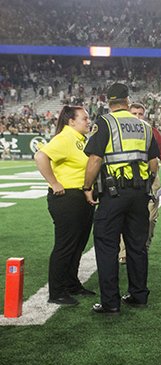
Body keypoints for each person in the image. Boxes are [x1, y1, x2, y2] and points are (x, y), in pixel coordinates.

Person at [82, 83, 159, 314]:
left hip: (114, 193)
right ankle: (138, 295)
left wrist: (87, 187)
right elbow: (153, 162)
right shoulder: (144, 126)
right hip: (139, 194)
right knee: (137, 246)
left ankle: (110, 303)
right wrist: (145, 181)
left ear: (108, 101)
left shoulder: (105, 122)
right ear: (127, 100)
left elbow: (95, 159)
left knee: (107, 245)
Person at [34, 105, 95, 306]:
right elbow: (40, 156)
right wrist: (54, 182)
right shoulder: (65, 138)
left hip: (80, 197)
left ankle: (71, 284)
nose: (88, 121)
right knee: (66, 245)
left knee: (77, 245)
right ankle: (57, 292)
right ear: (71, 121)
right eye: (84, 118)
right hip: (67, 198)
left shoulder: (79, 139)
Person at [118, 102, 161, 264]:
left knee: (149, 218)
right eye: (134, 113)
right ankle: (123, 252)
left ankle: (144, 246)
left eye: (140, 114)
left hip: (150, 178)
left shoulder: (151, 131)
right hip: (126, 177)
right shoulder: (120, 130)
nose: (137, 117)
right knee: (125, 216)